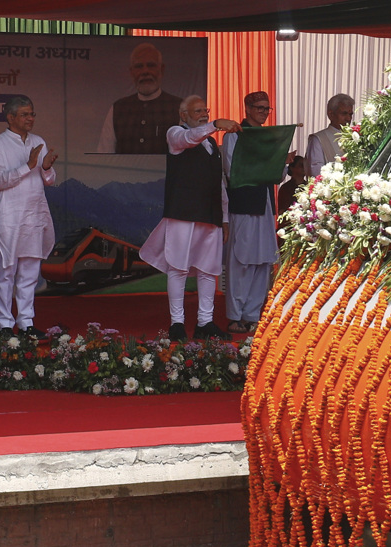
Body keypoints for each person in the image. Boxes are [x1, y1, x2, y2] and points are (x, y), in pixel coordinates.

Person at [139, 95, 240, 341]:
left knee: (208, 271)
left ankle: (205, 323)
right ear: (183, 115)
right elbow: (188, 139)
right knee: (178, 268)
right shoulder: (176, 134)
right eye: (197, 112)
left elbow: (220, 185)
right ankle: (177, 323)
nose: (203, 115)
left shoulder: (211, 146)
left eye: (205, 111)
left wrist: (225, 218)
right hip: (182, 214)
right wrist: (215, 124)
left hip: (210, 214)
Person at [0, 95, 58, 340]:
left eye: (32, 114)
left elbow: (49, 180)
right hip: (8, 217)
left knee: (30, 272)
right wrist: (29, 165)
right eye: (25, 114)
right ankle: (5, 324)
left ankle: (26, 323)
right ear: (10, 117)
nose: (30, 118)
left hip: (33, 215)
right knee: (7, 271)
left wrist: (45, 167)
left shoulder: (38, 141)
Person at [220, 91, 279, 334]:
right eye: (260, 108)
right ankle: (235, 316)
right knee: (240, 260)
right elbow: (234, 171)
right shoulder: (234, 136)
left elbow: (278, 174)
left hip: (264, 205)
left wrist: (280, 163)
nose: (264, 112)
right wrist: (266, 166)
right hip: (244, 204)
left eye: (267, 108)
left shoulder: (269, 137)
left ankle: (253, 314)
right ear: (247, 108)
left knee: (263, 260)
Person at [96, 42, 184, 154]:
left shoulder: (180, 108)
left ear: (161, 69)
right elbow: (104, 155)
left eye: (151, 65)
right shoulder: (117, 109)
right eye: (139, 66)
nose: (145, 72)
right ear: (132, 72)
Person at [305, 93, 354, 176]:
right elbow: (316, 174)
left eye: (350, 114)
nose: (348, 118)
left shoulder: (355, 137)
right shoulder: (318, 139)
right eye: (344, 114)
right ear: (331, 114)